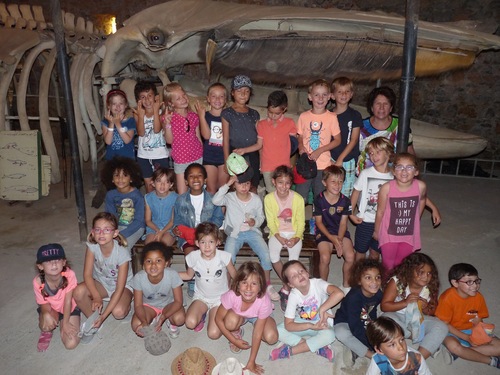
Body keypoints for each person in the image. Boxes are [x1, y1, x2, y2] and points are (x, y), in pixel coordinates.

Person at [213, 167, 276, 302]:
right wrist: (227, 184)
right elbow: (215, 200)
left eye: (247, 183)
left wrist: (255, 222)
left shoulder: (255, 199)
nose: (244, 187)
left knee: (265, 254)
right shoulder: (229, 197)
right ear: (234, 185)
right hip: (234, 234)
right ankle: (228, 285)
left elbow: (261, 217)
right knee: (228, 257)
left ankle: (267, 285)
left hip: (251, 232)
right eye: (240, 183)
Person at [73, 212, 133, 339]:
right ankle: (94, 321)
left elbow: (119, 288)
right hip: (101, 283)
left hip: (123, 287)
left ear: (115, 233)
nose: (101, 234)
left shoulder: (122, 254)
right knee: (78, 292)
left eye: (106, 230)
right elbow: (87, 275)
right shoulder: (92, 247)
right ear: (93, 232)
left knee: (118, 312)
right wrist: (96, 296)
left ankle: (125, 306)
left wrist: (104, 316)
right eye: (98, 230)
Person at [270, 260, 344, 362]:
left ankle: (290, 351)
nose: (299, 275)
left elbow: (339, 293)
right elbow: (289, 325)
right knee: (277, 330)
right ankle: (317, 346)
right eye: (294, 276)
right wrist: (310, 325)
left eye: (301, 271)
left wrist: (322, 309)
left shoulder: (318, 283)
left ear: (307, 273)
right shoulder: (293, 295)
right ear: (290, 284)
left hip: (321, 322)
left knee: (330, 335)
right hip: (303, 323)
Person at [215, 262, 278, 375]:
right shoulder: (232, 295)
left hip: (259, 316)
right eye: (244, 282)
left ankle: (262, 324)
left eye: (254, 283)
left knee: (272, 338)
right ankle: (236, 331)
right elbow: (218, 319)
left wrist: (251, 362)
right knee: (229, 323)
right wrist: (233, 340)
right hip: (239, 315)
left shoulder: (264, 300)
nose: (248, 288)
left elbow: (257, 333)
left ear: (260, 287)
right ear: (238, 284)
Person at [381, 253, 447, 359]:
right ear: (409, 271)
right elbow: (384, 306)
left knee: (442, 327)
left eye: (429, 273)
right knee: (385, 320)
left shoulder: (430, 286)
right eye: (421, 272)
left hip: (418, 320)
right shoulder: (397, 282)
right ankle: (421, 338)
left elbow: (432, 311)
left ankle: (417, 360)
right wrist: (405, 302)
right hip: (398, 318)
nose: (426, 277)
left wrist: (425, 307)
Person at [173, 163, 224, 296]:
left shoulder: (213, 199)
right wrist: (177, 229)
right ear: (186, 181)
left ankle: (209, 279)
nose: (196, 179)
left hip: (207, 234)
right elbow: (177, 219)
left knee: (207, 250)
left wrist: (207, 231)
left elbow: (218, 218)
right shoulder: (181, 200)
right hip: (188, 234)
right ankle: (192, 280)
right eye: (191, 176)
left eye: (199, 176)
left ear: (205, 180)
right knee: (191, 254)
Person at [435, 263, 500, 369]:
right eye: (469, 282)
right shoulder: (447, 298)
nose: (475, 286)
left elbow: (480, 317)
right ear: (455, 283)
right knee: (453, 346)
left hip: (470, 330)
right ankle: (492, 361)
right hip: (450, 331)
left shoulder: (478, 297)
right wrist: (466, 338)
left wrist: (479, 325)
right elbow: (444, 324)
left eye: (477, 281)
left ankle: (459, 354)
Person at [178, 222, 237, 338]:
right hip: (201, 297)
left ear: (218, 242)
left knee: (213, 334)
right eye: (203, 242)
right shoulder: (192, 257)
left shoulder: (224, 256)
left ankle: (212, 314)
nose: (207, 246)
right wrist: (167, 274)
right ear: (197, 243)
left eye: (211, 242)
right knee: (189, 323)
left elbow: (235, 275)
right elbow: (189, 276)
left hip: (220, 299)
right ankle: (202, 314)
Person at [374, 152, 427, 274]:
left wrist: (416, 218)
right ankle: (385, 287)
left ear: (416, 171)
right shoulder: (386, 188)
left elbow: (423, 199)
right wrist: (377, 231)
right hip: (389, 234)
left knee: (402, 264)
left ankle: (397, 288)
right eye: (399, 167)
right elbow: (380, 211)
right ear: (393, 171)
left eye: (409, 167)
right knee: (388, 264)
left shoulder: (421, 186)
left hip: (408, 234)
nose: (404, 171)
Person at [264, 165, 305, 312]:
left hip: (294, 233)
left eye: (287, 183)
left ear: (291, 183)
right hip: (277, 233)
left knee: (293, 260)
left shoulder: (298, 199)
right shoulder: (269, 199)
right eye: (280, 182)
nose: (284, 186)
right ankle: (288, 285)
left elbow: (301, 222)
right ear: (274, 182)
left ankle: (287, 289)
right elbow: (271, 222)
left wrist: (296, 237)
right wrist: (279, 237)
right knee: (273, 256)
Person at [295, 79, 341, 202]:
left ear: (330, 96)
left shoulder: (332, 117)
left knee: (320, 197)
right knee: (300, 197)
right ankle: (298, 220)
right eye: (316, 95)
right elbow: (299, 135)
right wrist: (300, 147)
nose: (320, 98)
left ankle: (316, 221)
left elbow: (337, 140)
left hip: (323, 165)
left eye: (324, 95)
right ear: (310, 97)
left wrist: (320, 150)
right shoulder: (303, 116)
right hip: (305, 163)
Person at [350, 137, 395, 261]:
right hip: (365, 221)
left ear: (388, 153)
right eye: (371, 153)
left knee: (375, 253)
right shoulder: (366, 173)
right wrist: (351, 213)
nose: (374, 156)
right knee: (360, 252)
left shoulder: (394, 176)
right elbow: (355, 192)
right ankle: (358, 278)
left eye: (378, 152)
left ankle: (372, 278)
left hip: (384, 223)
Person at [131, 241, 185, 339]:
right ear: (143, 264)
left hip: (169, 304)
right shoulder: (139, 277)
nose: (153, 265)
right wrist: (144, 322)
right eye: (149, 261)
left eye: (158, 261)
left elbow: (178, 301)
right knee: (136, 325)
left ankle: (170, 320)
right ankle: (152, 318)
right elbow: (138, 304)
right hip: (149, 306)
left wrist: (163, 317)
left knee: (179, 319)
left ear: (166, 263)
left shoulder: (172, 275)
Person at [334, 259, 384, 365]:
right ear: (359, 281)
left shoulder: (379, 294)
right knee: (341, 333)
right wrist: (373, 346)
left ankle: (355, 348)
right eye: (368, 278)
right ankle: (372, 356)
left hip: (364, 318)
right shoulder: (354, 298)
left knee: (383, 328)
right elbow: (355, 327)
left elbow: (372, 310)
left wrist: (373, 328)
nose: (374, 282)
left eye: (377, 277)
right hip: (345, 320)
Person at [313, 165, 355, 287]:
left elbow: (343, 223)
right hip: (324, 231)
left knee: (350, 257)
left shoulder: (345, 201)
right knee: (325, 258)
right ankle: (323, 286)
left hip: (340, 231)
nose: (337, 185)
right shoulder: (319, 200)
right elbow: (319, 223)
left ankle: (346, 285)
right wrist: (332, 239)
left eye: (340, 181)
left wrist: (339, 241)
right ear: (324, 183)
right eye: (333, 181)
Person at [357, 86, 414, 175]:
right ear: (371, 107)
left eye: (385, 104)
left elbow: (410, 154)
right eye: (378, 103)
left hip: (393, 175)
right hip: (364, 175)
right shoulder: (361, 126)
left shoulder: (401, 126)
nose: (381, 108)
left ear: (391, 108)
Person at [33, 243, 80, 351]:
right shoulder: (38, 282)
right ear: (40, 266)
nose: (54, 264)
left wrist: (66, 323)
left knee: (71, 343)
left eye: (57, 260)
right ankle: (47, 332)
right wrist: (45, 314)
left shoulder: (69, 275)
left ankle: (64, 321)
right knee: (45, 325)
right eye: (48, 261)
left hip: (69, 308)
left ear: (64, 262)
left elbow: (68, 301)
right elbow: (43, 303)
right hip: (52, 307)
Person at [162, 82, 203, 195]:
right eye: (178, 98)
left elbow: (198, 136)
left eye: (184, 95)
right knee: (182, 192)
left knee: (198, 190)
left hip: (197, 156)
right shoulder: (170, 118)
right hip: (181, 159)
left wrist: (202, 152)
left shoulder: (193, 116)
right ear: (171, 103)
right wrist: (168, 124)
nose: (183, 99)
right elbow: (169, 141)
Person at [253, 90, 297, 193]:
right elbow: (260, 146)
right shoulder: (262, 124)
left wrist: (290, 164)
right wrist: (261, 163)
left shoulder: (289, 123)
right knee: (271, 193)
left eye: (277, 113)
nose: (273, 116)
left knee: (283, 192)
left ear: (284, 109)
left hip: (283, 166)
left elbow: (293, 145)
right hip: (267, 166)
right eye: (270, 112)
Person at [221, 75, 261, 190]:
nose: (243, 94)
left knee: (253, 185)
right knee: (237, 185)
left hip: (253, 153)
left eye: (246, 91)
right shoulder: (227, 113)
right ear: (232, 93)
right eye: (239, 91)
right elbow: (226, 139)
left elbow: (260, 138)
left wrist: (262, 160)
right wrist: (226, 161)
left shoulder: (254, 114)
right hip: (235, 155)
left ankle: (253, 207)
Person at [103, 156, 145, 253]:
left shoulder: (137, 196)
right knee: (103, 245)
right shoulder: (110, 195)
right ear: (112, 179)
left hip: (135, 228)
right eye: (116, 175)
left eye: (125, 175)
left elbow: (139, 221)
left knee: (122, 249)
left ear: (131, 178)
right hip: (117, 228)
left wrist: (121, 234)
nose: (120, 179)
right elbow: (110, 217)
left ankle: (125, 268)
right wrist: (112, 232)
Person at [133, 81, 170, 193]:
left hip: (160, 155)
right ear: (138, 100)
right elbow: (141, 133)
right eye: (143, 97)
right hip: (143, 155)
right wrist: (140, 116)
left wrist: (155, 111)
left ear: (156, 97)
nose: (147, 100)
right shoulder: (137, 113)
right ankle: (151, 209)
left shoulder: (161, 112)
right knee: (149, 186)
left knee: (162, 185)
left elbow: (157, 129)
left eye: (150, 96)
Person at [330, 77, 362, 198]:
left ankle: (343, 216)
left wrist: (341, 159)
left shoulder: (355, 115)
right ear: (332, 95)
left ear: (351, 94)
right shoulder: (328, 115)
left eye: (347, 91)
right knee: (330, 189)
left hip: (347, 159)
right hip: (330, 158)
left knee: (345, 192)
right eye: (340, 92)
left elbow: (354, 139)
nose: (344, 94)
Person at [366, 316, 432, 375]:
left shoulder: (417, 358)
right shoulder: (378, 360)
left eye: (401, 340)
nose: (401, 347)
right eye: (392, 344)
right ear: (379, 350)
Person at [195, 82, 229, 194]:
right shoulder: (206, 116)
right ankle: (211, 211)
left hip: (224, 157)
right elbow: (206, 135)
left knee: (223, 190)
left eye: (221, 96)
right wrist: (201, 116)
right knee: (211, 189)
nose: (217, 99)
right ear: (208, 99)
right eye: (213, 96)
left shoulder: (229, 116)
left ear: (225, 99)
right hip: (209, 157)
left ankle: (222, 212)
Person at [143, 167, 177, 245]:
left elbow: (172, 221)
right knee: (150, 246)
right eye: (159, 181)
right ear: (153, 183)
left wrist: (162, 232)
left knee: (163, 245)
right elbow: (148, 220)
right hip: (153, 227)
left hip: (169, 228)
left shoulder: (175, 198)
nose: (162, 185)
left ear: (171, 184)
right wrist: (158, 230)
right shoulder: (148, 197)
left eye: (167, 182)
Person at [101, 89, 137, 161]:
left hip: (128, 160)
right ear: (109, 106)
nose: (118, 107)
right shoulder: (105, 122)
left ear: (126, 105)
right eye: (114, 104)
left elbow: (127, 140)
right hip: (111, 160)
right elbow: (108, 141)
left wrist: (117, 124)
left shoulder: (130, 121)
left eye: (121, 104)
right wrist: (111, 123)